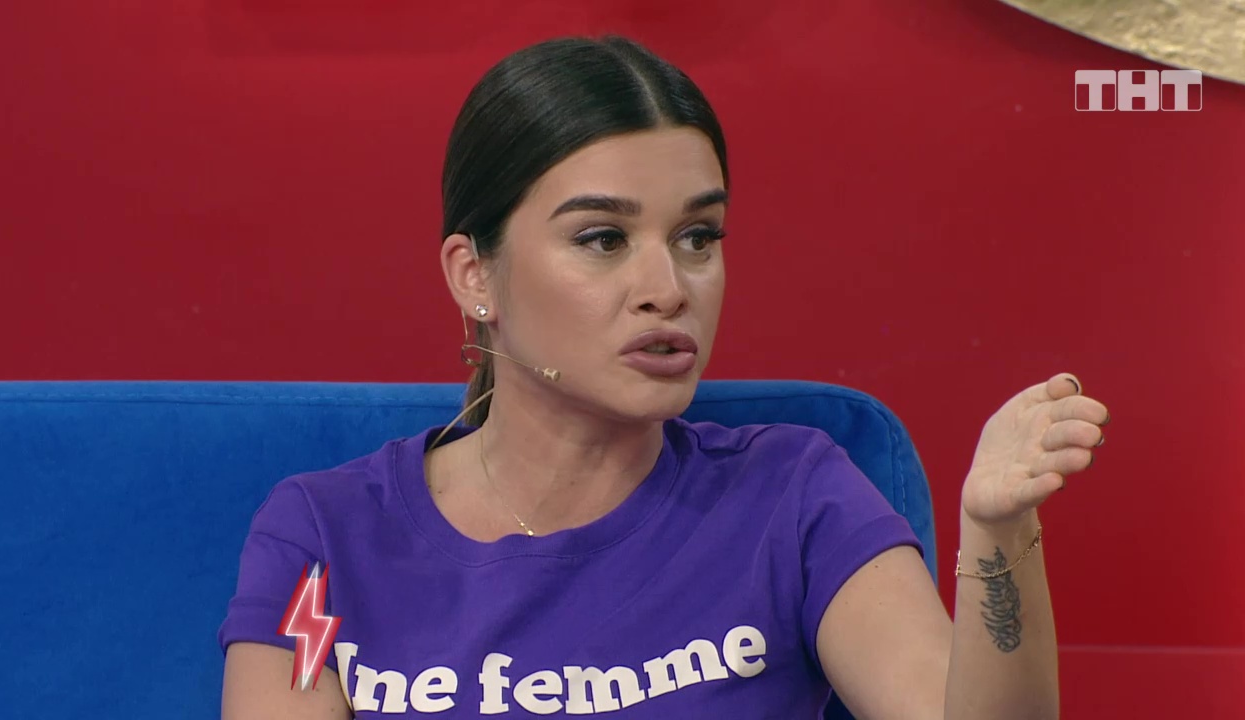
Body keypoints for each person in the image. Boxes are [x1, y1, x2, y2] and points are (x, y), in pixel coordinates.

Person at [219, 35, 1109, 719]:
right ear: (474, 274)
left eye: (697, 237)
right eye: (603, 238)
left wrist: (997, 533)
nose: (668, 287)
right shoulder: (325, 541)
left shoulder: (796, 497)